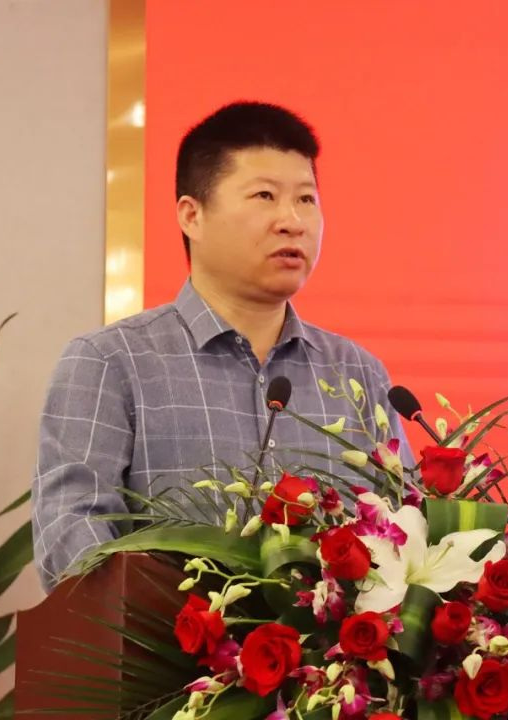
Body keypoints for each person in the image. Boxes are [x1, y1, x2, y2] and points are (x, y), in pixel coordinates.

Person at [31, 102, 413, 593]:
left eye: (306, 199)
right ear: (192, 215)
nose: (292, 221)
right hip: (167, 641)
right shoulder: (110, 363)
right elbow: (71, 539)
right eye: (264, 196)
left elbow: (405, 533)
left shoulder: (357, 374)